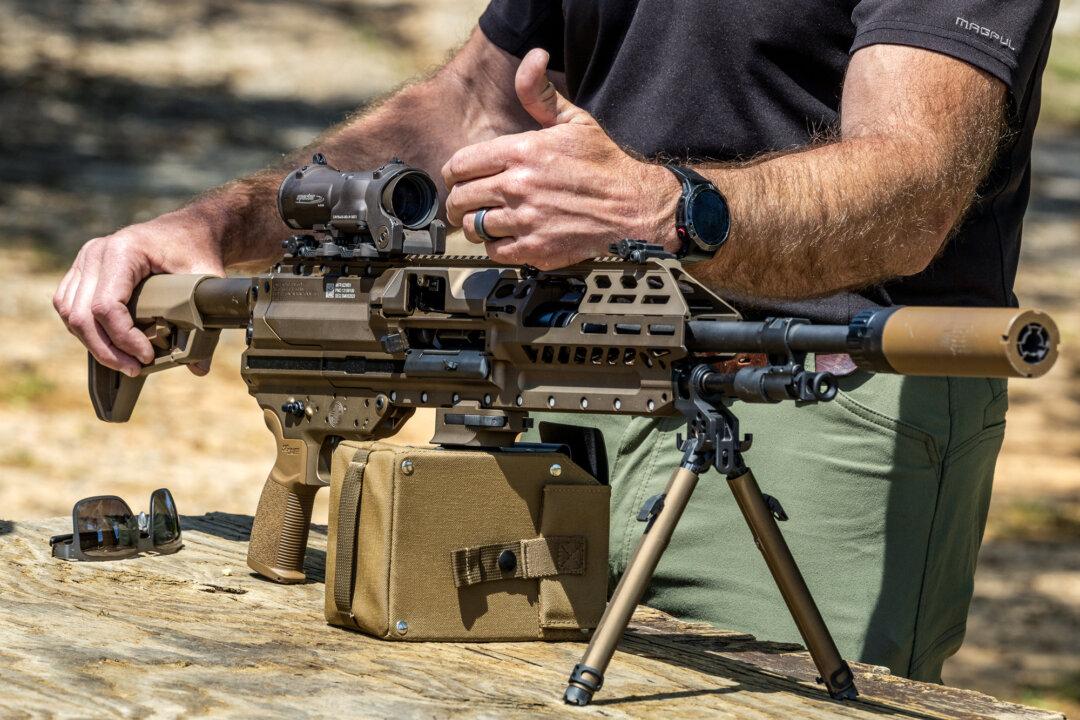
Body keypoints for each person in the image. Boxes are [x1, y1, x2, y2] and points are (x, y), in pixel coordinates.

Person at [54, 1, 1059, 682]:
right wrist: (220, 224)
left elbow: (918, 185)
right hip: (552, 377)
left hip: (812, 399)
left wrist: (673, 207)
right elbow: (468, 107)